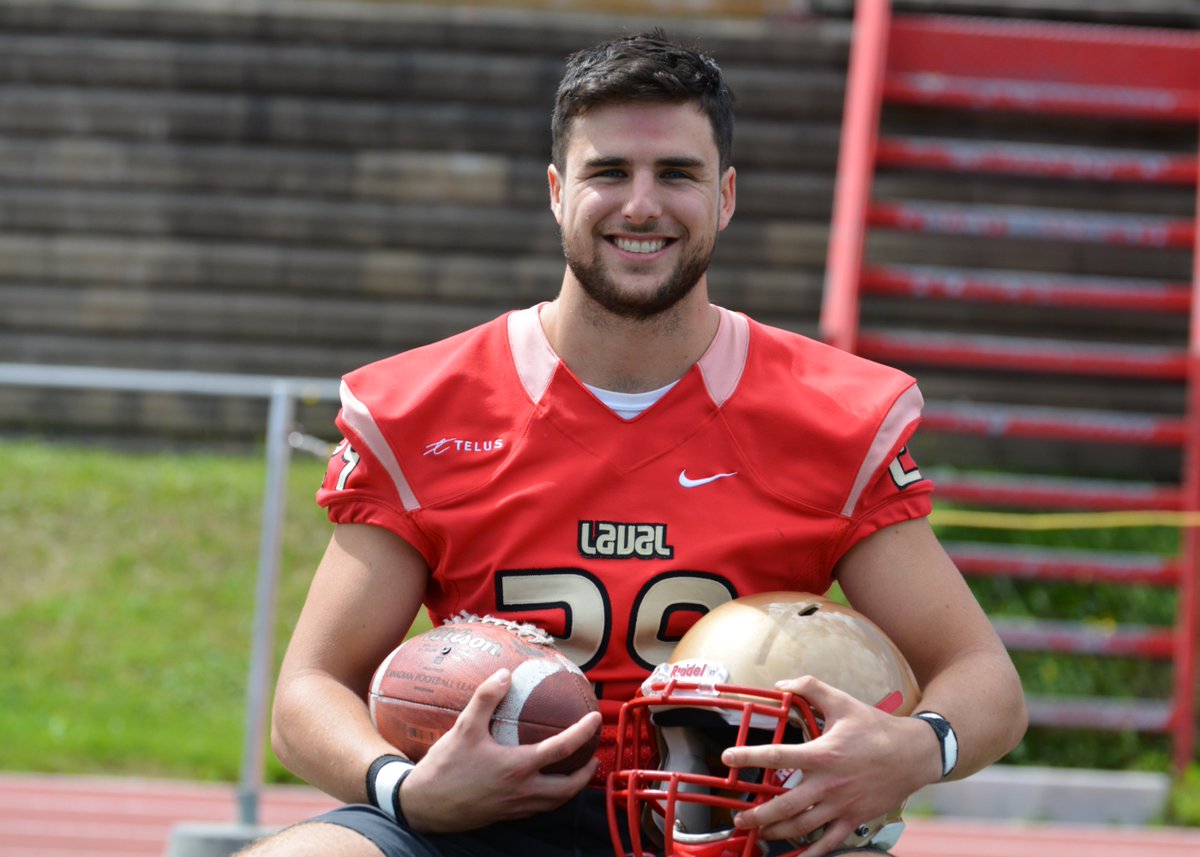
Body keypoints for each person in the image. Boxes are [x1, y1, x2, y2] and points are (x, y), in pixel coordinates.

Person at [240, 29, 1026, 857]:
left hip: (732, 826)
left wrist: (914, 747)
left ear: (725, 196)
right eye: (609, 172)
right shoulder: (430, 406)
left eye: (676, 174)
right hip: (483, 826)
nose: (641, 205)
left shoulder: (826, 412)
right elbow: (308, 691)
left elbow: (985, 681)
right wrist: (407, 788)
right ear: (555, 191)